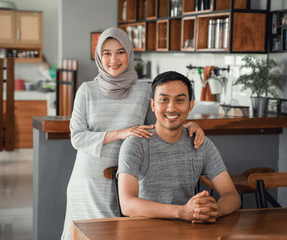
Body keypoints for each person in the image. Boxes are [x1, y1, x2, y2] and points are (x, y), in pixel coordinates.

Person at [61, 28, 205, 239]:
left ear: (129, 53)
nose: (113, 59)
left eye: (120, 52)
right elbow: (77, 137)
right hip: (88, 181)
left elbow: (159, 127)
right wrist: (120, 133)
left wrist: (190, 125)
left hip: (127, 178)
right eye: (106, 53)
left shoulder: (144, 90)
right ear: (99, 56)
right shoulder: (86, 90)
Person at [117, 71, 241, 223]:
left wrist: (214, 211)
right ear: (153, 105)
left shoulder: (201, 143)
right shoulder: (136, 144)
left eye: (180, 100)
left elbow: (232, 195)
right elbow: (127, 204)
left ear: (191, 105)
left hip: (189, 229)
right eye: (164, 99)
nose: (171, 108)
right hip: (144, 229)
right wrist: (181, 212)